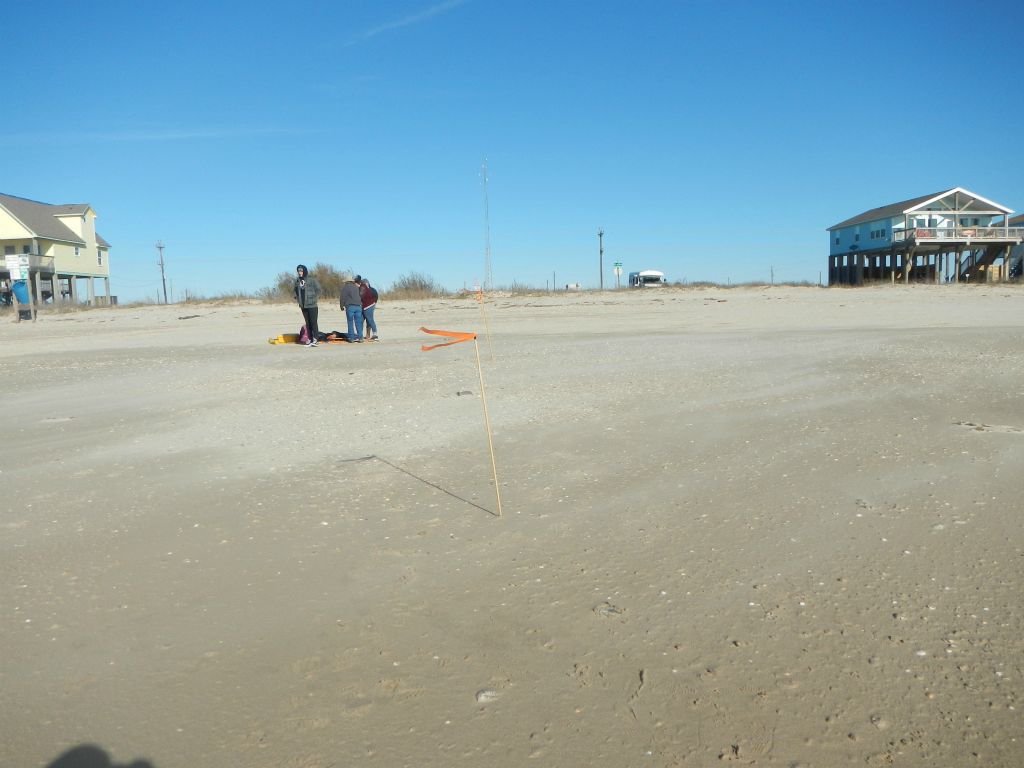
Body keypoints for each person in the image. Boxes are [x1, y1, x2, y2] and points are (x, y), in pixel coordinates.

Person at [293, 264, 321, 346]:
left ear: (304, 271)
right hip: (303, 305)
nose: (300, 272)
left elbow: (319, 290)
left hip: (312, 305)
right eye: (298, 271)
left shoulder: (311, 280)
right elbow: (295, 291)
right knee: (307, 323)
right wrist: (297, 298)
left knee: (313, 322)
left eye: (301, 271)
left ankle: (315, 338)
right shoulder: (297, 281)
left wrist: (314, 299)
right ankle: (310, 338)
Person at [340, 276, 364, 342]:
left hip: (350, 307)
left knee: (350, 322)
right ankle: (360, 337)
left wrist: (341, 306)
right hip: (359, 306)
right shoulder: (356, 286)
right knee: (358, 323)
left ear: (346, 282)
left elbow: (342, 297)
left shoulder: (345, 287)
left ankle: (351, 338)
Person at [359, 277, 379, 341]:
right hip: (364, 306)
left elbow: (375, 297)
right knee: (361, 320)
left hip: (369, 306)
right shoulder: (371, 289)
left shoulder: (371, 290)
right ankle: (361, 335)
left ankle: (374, 334)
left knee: (369, 320)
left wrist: (372, 304)